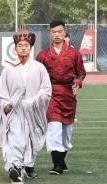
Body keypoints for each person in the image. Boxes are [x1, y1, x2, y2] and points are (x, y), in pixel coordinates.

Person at [0, 30, 51, 182]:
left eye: (26, 45)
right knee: (15, 138)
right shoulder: (8, 69)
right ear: (15, 48)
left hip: (33, 111)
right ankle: (14, 167)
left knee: (30, 139)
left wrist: (34, 101)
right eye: (20, 45)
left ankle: (28, 166)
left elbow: (46, 89)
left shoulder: (39, 68)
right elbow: (0, 93)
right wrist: (6, 105)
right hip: (15, 112)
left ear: (31, 47)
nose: (23, 48)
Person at [36, 20, 85, 175]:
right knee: (54, 128)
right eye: (53, 32)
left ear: (64, 33)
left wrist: (77, 82)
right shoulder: (42, 55)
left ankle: (61, 161)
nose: (57, 35)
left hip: (68, 95)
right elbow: (36, 75)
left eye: (59, 32)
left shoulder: (74, 54)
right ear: (50, 34)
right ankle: (57, 164)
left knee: (66, 132)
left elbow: (81, 73)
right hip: (51, 94)